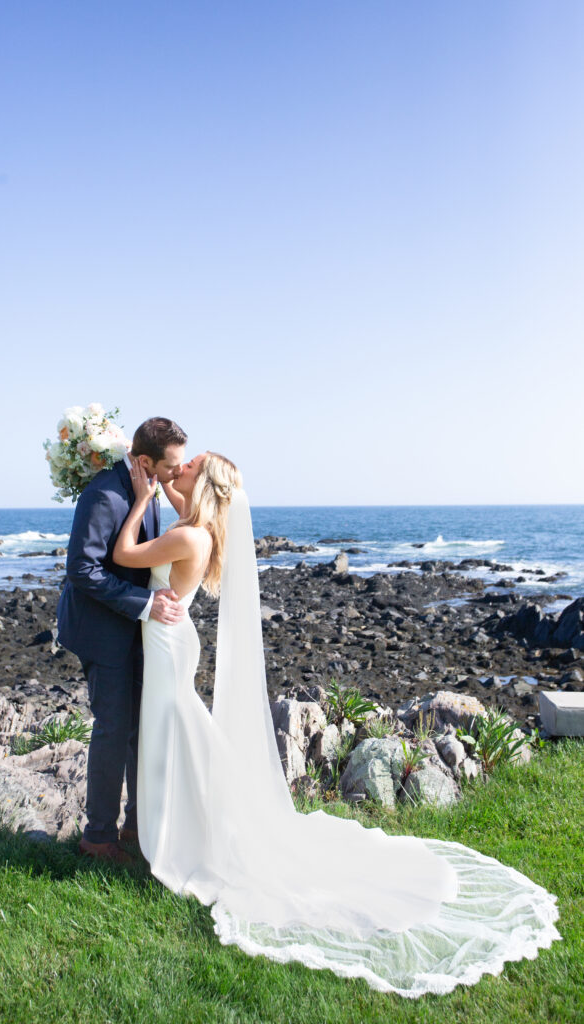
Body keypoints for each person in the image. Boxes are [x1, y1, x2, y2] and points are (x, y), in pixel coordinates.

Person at [111, 453, 561, 997]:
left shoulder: (190, 537)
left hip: (168, 641)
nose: (178, 470)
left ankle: (183, 829)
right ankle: (187, 821)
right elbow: (186, 506)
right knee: (178, 730)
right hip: (172, 640)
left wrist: (138, 500)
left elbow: (123, 552)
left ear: (201, 485)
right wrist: (162, 485)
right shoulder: (199, 528)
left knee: (176, 729)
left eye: (190, 466)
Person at [57, 416, 188, 864]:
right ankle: (98, 839)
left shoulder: (144, 484)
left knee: (139, 728)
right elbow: (82, 569)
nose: (177, 474)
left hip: (132, 630)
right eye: (172, 466)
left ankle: (136, 825)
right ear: (147, 460)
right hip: (101, 630)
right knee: (113, 731)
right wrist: (145, 604)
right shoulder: (104, 494)